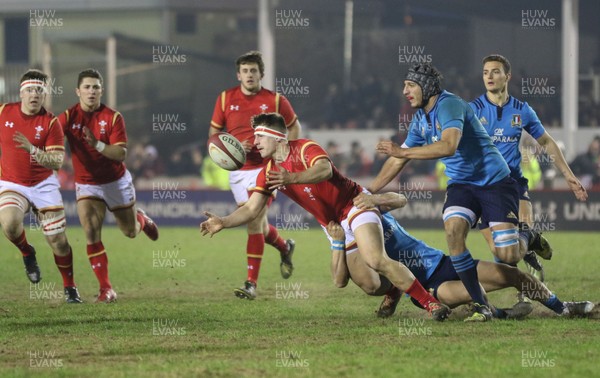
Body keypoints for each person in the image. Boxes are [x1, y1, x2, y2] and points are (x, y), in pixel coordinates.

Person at [200, 112, 451, 321]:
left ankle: (433, 305)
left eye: (260, 136)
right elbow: (252, 209)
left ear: (277, 137)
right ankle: (395, 288)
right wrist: (223, 221)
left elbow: (324, 169)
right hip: (332, 224)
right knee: (371, 285)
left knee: (376, 259)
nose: (255, 142)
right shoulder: (268, 171)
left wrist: (292, 178)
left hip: (354, 204)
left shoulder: (305, 147)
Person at [369, 62, 548, 322]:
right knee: (453, 231)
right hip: (464, 186)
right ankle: (482, 304)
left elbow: (448, 146)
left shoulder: (449, 105)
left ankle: (527, 235)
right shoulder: (420, 120)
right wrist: (369, 189)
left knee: (507, 255)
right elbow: (397, 161)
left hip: (494, 183)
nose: (405, 91)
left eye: (410, 85)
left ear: (427, 87)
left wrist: (402, 151)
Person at [326, 192, 594, 320]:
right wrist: (338, 244)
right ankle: (502, 314)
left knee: (514, 274)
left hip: (444, 262)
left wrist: (378, 198)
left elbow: (402, 199)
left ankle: (565, 308)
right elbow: (344, 278)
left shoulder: (364, 208)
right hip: (432, 288)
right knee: (475, 293)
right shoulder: (345, 233)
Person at [470, 54, 588, 279]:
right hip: (483, 186)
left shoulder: (522, 110)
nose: (489, 77)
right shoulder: (472, 110)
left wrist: (569, 176)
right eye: (485, 72)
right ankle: (530, 240)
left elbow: (546, 142)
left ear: (508, 76)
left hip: (513, 183)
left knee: (515, 240)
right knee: (501, 253)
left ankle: (525, 295)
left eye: (495, 71)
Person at [57, 68, 159, 303]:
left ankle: (141, 220)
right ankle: (106, 289)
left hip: (115, 182)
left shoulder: (113, 117)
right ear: (78, 91)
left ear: (101, 90)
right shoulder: (68, 117)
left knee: (130, 232)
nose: (91, 91)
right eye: (87, 87)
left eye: (95, 87)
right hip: (87, 184)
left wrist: (96, 144)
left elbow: (121, 153)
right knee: (91, 231)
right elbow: (50, 134)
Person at [209, 51, 301, 299]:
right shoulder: (226, 98)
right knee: (257, 222)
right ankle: (284, 246)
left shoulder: (276, 100)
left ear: (261, 73)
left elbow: (294, 127)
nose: (249, 75)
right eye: (245, 71)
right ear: (238, 74)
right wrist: (234, 147)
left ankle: (251, 284)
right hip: (238, 171)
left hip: (266, 168)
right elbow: (214, 134)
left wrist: (284, 155)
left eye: (254, 71)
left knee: (252, 221)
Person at [0, 69, 81, 303]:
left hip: (43, 184)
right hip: (12, 182)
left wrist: (33, 150)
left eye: (40, 91)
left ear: (44, 94)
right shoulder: (5, 112)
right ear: (21, 93)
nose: (35, 95)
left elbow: (56, 161)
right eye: (30, 90)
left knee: (58, 240)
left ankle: (70, 288)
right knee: (10, 224)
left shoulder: (51, 123)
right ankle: (27, 252)